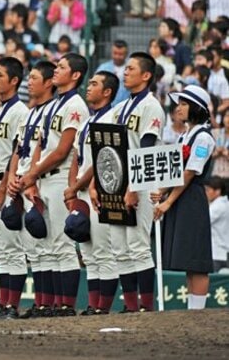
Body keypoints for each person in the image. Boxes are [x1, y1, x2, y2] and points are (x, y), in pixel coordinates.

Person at [18, 54, 90, 316]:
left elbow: (62, 150)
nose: (56, 71)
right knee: (44, 247)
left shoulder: (76, 106)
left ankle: (65, 305)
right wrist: (32, 178)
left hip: (61, 176)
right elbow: (40, 144)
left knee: (61, 245)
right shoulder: (52, 106)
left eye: (61, 67)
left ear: (75, 75)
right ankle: (45, 303)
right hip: (43, 178)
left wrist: (32, 174)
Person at [102, 52, 165, 312]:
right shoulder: (122, 107)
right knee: (120, 248)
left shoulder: (151, 105)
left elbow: (147, 148)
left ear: (146, 75)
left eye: (130, 68)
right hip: (119, 183)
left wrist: (133, 188)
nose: (125, 72)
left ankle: (147, 307)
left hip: (141, 182)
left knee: (138, 246)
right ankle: (130, 306)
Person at [153, 86, 214, 310]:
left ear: (197, 108)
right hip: (180, 195)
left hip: (191, 198)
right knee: (187, 256)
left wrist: (168, 199)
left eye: (184, 104)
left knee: (196, 258)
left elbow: (189, 173)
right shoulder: (185, 134)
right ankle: (193, 308)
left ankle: (196, 311)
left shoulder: (203, 138)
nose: (178, 108)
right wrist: (162, 190)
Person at [65, 71, 119, 315]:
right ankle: (93, 305)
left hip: (101, 191)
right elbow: (77, 157)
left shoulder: (111, 117)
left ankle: (102, 308)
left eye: (95, 84)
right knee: (87, 251)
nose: (88, 87)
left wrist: (76, 187)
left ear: (107, 92)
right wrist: (72, 189)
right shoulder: (88, 120)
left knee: (103, 251)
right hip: (82, 191)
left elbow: (102, 159)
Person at [6, 61, 56, 316]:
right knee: (33, 249)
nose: (29, 82)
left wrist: (30, 179)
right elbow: (18, 148)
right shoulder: (29, 113)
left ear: (49, 82)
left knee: (49, 246)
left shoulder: (51, 111)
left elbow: (45, 149)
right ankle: (41, 302)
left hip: (41, 182)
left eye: (34, 77)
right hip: (23, 181)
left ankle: (51, 303)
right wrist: (14, 176)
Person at [0, 57, 29, 319]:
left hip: (7, 184)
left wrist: (1, 189)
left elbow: (16, 151)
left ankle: (13, 305)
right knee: (2, 250)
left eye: (0, 75)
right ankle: (3, 302)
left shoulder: (19, 111)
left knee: (14, 248)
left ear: (14, 80)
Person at [96, 40, 130, 106]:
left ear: (126, 54)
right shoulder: (103, 68)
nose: (117, 57)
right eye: (115, 53)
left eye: (120, 54)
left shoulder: (131, 69)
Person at [206, 179, 229, 271]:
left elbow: (204, 221)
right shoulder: (225, 203)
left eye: (208, 189)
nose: (205, 192)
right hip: (223, 252)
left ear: (218, 191)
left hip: (217, 253)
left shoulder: (218, 206)